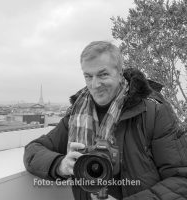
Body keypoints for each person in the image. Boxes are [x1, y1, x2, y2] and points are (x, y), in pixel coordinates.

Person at [24, 41, 187, 200]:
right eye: (88, 76)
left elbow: (181, 180)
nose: (94, 85)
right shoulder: (76, 114)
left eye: (103, 74)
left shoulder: (153, 112)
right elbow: (33, 149)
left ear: (119, 72)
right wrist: (60, 164)